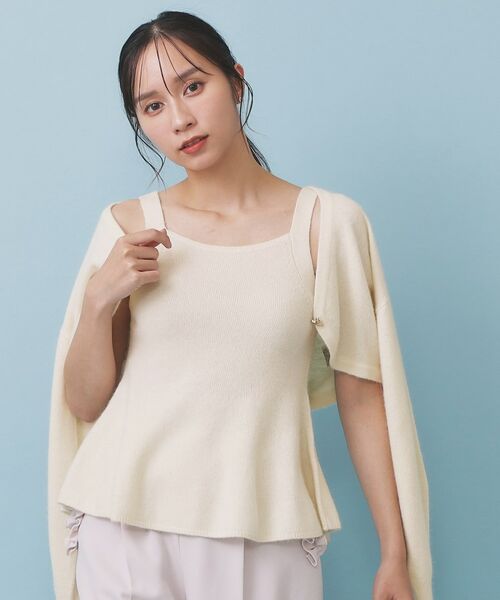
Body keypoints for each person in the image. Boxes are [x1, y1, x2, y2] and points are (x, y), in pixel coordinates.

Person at [48, 10, 432, 600]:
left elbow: (361, 394)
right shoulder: (127, 226)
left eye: (193, 86)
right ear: (140, 122)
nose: (179, 119)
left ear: (236, 81)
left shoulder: (326, 225)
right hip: (124, 527)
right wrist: (100, 300)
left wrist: (394, 554)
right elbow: (84, 402)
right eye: (152, 106)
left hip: (266, 528)